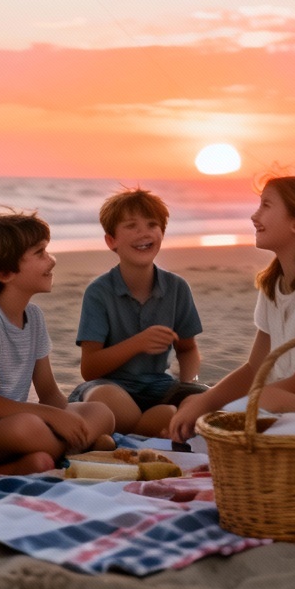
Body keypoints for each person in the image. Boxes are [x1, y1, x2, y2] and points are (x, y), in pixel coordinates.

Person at [170, 176, 295, 442]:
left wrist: (241, 408)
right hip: (284, 404)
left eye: (266, 205)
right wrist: (205, 400)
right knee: (204, 418)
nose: (254, 216)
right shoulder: (274, 283)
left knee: (242, 415)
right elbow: (255, 367)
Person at [0, 212, 114, 473]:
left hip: (13, 419)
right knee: (27, 428)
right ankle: (73, 449)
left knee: (100, 412)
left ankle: (43, 457)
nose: (52, 259)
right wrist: (54, 418)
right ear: (5, 273)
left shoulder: (34, 317)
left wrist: (69, 418)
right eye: (40, 253)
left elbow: (49, 392)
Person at [67, 187, 203, 437]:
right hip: (109, 387)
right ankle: (150, 428)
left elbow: (188, 349)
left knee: (203, 400)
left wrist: (188, 385)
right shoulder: (99, 292)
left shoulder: (177, 288)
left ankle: (143, 429)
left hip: (160, 388)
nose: (144, 233)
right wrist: (138, 343)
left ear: (162, 233)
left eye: (152, 225)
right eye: (131, 226)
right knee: (106, 399)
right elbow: (90, 368)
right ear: (111, 241)